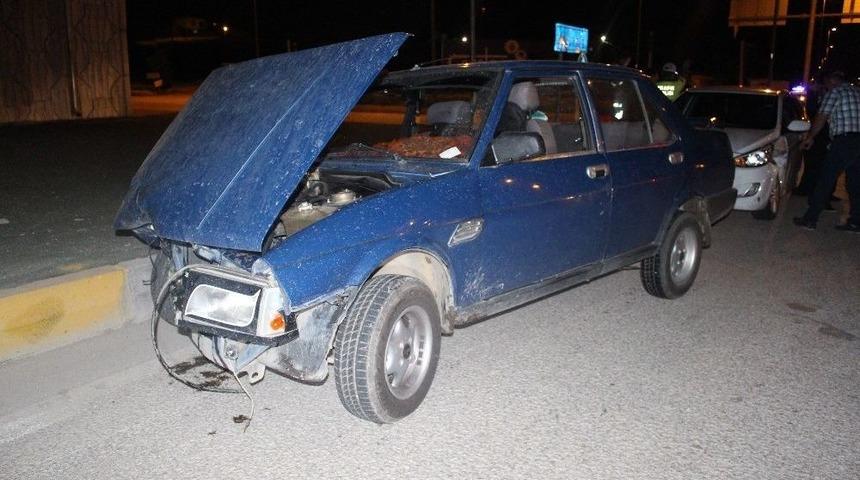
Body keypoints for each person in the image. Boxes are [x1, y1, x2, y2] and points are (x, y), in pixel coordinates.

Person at [793, 71, 860, 232]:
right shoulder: (857, 92)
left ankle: (810, 219)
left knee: (825, 179)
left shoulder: (835, 93)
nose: (825, 87)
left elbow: (822, 117)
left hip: (844, 141)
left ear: (832, 81)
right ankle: (856, 222)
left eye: (826, 84)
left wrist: (810, 137)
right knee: (855, 183)